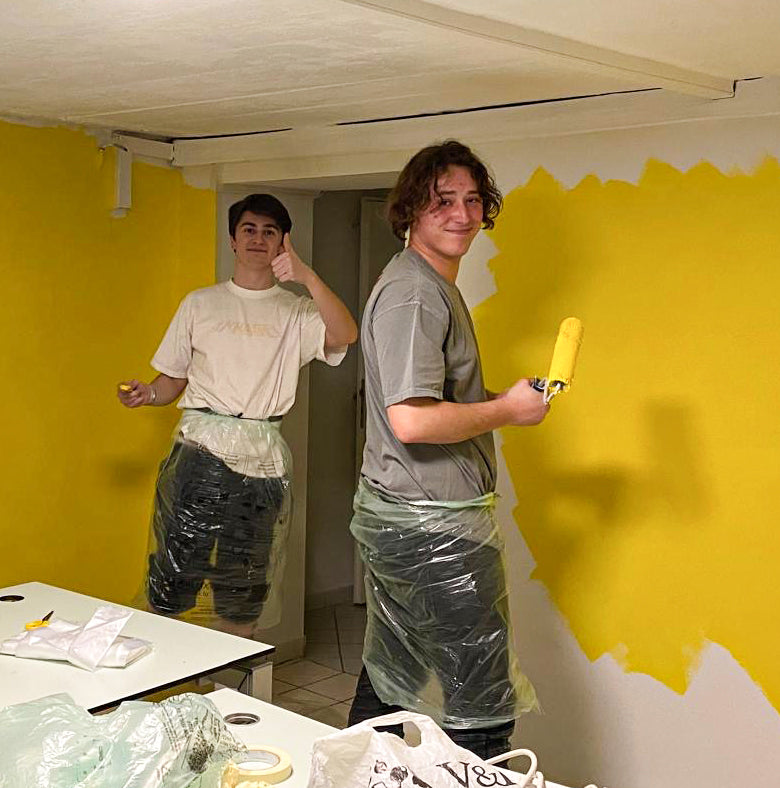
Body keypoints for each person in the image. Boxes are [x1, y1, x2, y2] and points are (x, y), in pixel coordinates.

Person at [347, 141, 549, 758]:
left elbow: (431, 397)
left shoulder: (429, 284)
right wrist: (508, 412)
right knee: (479, 701)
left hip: (413, 518)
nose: (462, 214)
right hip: (431, 527)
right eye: (442, 202)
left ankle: (339, 772)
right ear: (410, 211)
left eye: (471, 200)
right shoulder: (414, 293)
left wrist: (499, 398)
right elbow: (410, 420)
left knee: (392, 681)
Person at [118, 193, 357, 636]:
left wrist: (307, 277)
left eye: (270, 231)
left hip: (260, 465)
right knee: (174, 575)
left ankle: (231, 696)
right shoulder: (201, 304)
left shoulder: (298, 311)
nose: (258, 239)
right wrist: (147, 393)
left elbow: (346, 332)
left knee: (243, 583)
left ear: (283, 243)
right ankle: (164, 691)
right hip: (199, 453)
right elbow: (171, 380)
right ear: (232, 239)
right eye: (249, 229)